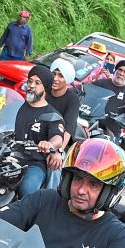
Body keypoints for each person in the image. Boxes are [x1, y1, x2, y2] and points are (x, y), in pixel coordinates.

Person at [13, 65, 69, 199]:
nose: (31, 85)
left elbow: (58, 138)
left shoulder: (52, 115)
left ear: (46, 88)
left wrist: (49, 144)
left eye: (37, 83)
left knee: (28, 188)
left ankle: (26, 217)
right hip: (5, 156)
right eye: (30, 81)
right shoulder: (16, 104)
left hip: (32, 163)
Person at [45, 59, 80, 189]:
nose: (56, 78)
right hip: (35, 138)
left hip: (57, 143)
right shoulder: (43, 90)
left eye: (61, 75)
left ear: (67, 79)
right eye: (54, 74)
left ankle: (49, 199)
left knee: (54, 166)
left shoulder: (72, 100)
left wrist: (58, 151)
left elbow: (69, 129)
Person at [87, 60, 125, 138]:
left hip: (112, 132)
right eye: (120, 70)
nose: (121, 73)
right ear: (115, 70)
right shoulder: (101, 83)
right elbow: (85, 91)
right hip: (91, 125)